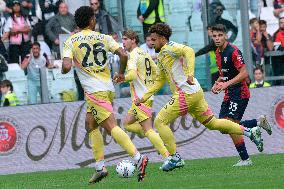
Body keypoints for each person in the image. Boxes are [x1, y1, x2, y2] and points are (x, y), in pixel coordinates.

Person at [134, 23, 264, 171]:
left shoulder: (170, 47)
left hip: (185, 93)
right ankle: (250, 131)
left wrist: (190, 73)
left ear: (162, 38)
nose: (151, 43)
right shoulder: (162, 53)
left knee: (159, 122)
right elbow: (159, 81)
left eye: (154, 40)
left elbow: (188, 51)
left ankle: (175, 158)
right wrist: (143, 97)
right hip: (195, 92)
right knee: (213, 123)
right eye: (150, 40)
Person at [62, 6, 148, 184]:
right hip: (107, 88)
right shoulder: (104, 37)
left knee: (110, 126)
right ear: (91, 21)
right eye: (94, 18)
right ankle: (100, 167)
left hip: (94, 91)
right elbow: (123, 55)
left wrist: (65, 68)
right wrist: (122, 73)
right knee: (90, 124)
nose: (95, 20)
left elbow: (66, 66)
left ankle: (139, 159)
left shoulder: (71, 41)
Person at [211, 24, 272, 166]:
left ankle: (246, 159)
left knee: (231, 125)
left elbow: (245, 73)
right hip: (229, 92)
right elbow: (223, 73)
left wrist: (226, 84)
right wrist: (217, 82)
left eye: (220, 35)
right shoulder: (218, 52)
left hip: (240, 92)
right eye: (215, 36)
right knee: (222, 126)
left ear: (225, 35)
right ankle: (256, 125)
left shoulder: (233, 51)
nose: (217, 38)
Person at [114, 29, 171, 165]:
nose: (123, 42)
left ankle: (167, 155)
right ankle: (156, 139)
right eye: (123, 39)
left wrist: (122, 78)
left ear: (133, 40)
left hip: (141, 98)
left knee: (147, 130)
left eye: (126, 39)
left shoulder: (133, 55)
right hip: (144, 97)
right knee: (127, 123)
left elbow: (132, 75)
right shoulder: (144, 52)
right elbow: (156, 70)